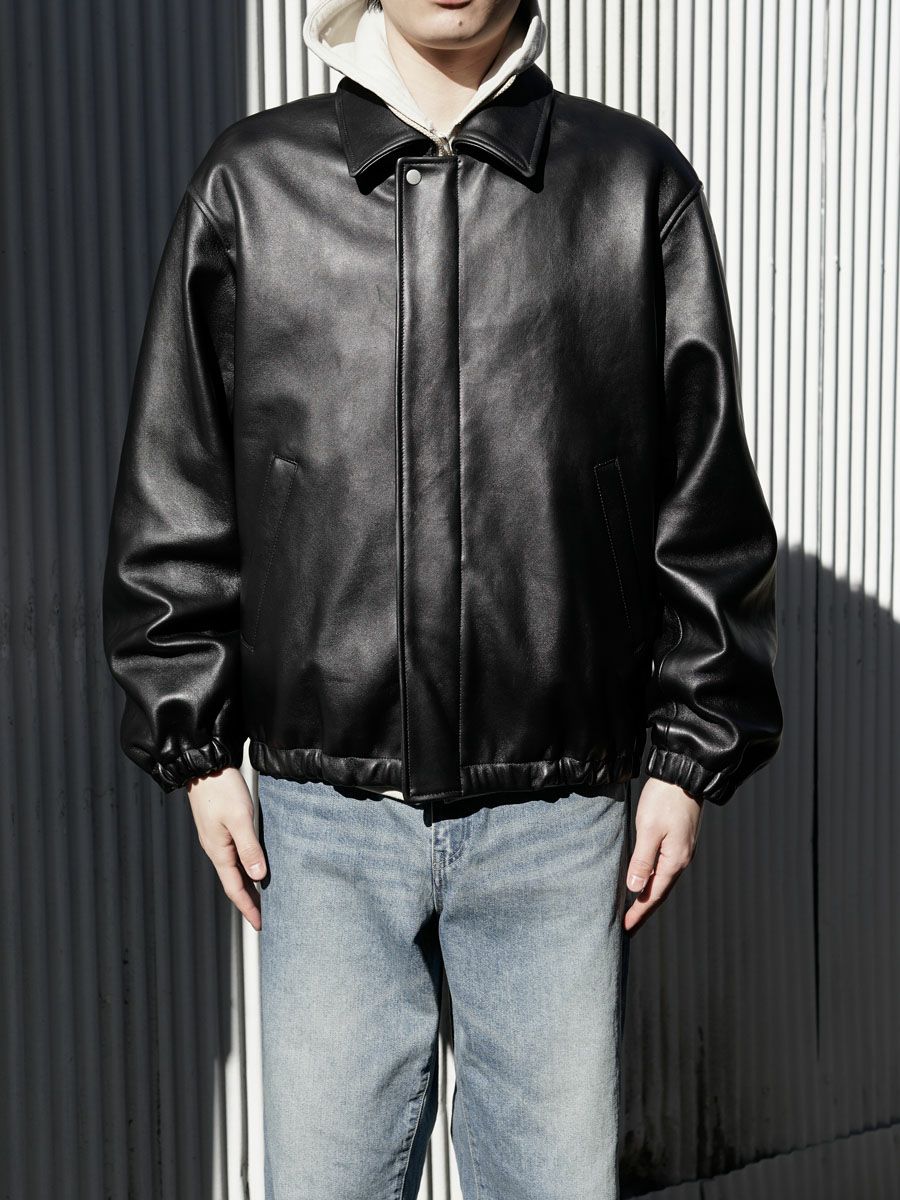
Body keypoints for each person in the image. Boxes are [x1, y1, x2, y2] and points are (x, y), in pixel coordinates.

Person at [102, 0, 783, 1196]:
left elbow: (701, 491)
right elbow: (181, 477)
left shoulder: (630, 185)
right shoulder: (254, 186)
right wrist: (195, 745)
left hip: (557, 815)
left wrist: (689, 754)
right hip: (322, 818)